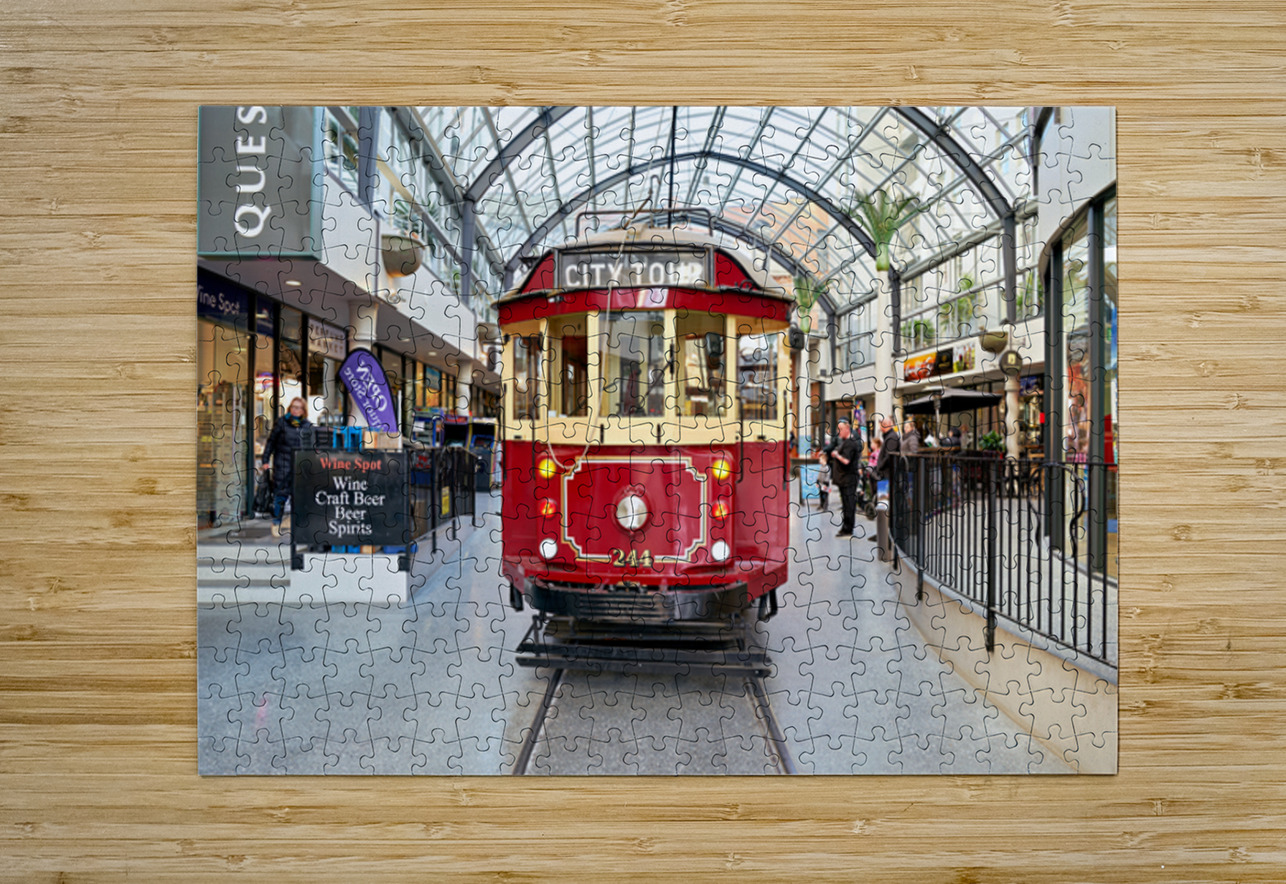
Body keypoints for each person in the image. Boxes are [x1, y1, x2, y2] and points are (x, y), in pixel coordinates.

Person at [261, 397, 311, 538]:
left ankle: (294, 523)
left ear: (303, 410)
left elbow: (311, 447)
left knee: (298, 497)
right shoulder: (281, 423)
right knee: (280, 496)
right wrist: (265, 460)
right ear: (290, 408)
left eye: (299, 407)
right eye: (293, 407)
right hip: (282, 465)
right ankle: (276, 523)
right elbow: (271, 442)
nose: (295, 410)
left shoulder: (307, 426)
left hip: (299, 467)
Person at [828, 418, 863, 537]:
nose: (839, 432)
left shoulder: (850, 443)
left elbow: (846, 461)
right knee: (846, 503)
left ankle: (848, 528)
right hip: (844, 479)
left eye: (841, 429)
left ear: (847, 429)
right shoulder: (844, 442)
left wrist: (837, 455)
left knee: (849, 504)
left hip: (849, 479)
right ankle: (846, 526)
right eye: (838, 429)